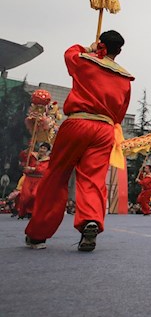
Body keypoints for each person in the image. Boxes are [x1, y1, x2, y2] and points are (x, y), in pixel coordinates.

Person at [25, 31, 133, 251]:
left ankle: (38, 234)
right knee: (93, 179)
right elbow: (120, 114)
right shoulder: (125, 79)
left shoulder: (84, 62)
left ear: (101, 44)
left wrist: (89, 48)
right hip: (104, 128)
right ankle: (90, 220)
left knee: (56, 176)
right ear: (119, 51)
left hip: (77, 122)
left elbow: (69, 52)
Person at [17, 144, 51, 219]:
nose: (42, 150)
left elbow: (43, 170)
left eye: (44, 148)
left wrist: (32, 169)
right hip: (29, 178)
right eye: (41, 147)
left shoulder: (48, 160)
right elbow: (23, 156)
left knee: (34, 195)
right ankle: (22, 212)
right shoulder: (32, 155)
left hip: (39, 180)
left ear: (47, 151)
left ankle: (30, 212)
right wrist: (28, 149)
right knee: (25, 196)